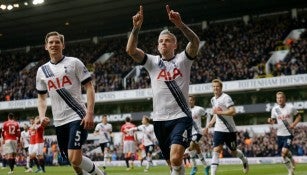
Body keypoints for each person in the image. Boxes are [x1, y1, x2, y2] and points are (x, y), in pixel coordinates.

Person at [126, 5, 200, 175]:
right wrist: (136, 28)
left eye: (167, 40)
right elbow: (130, 50)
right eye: (160, 41)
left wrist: (180, 25)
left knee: (175, 159)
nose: (163, 43)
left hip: (180, 117)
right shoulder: (152, 62)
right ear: (157, 46)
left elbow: (195, 42)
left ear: (175, 44)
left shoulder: (183, 59)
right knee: (171, 163)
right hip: (159, 120)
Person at [36, 31, 105, 175]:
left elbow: (89, 87)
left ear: (63, 45)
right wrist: (42, 116)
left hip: (77, 116)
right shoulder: (42, 71)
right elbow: (42, 97)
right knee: (71, 160)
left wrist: (90, 113)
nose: (54, 44)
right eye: (51, 42)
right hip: (59, 121)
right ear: (46, 46)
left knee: (74, 158)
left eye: (57, 42)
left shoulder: (74, 63)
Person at [204, 79, 249, 175]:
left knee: (233, 152)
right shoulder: (213, 100)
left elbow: (233, 111)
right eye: (214, 86)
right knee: (216, 150)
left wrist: (219, 112)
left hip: (230, 130)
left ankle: (244, 161)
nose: (215, 88)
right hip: (218, 129)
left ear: (221, 88)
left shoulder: (226, 98)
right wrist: (210, 124)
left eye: (217, 86)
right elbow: (216, 115)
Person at [267, 91, 301, 175]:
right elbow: (273, 121)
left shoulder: (291, 107)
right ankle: (292, 160)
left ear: (284, 98)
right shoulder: (274, 109)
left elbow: (299, 116)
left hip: (289, 133)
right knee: (284, 154)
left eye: (281, 98)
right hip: (280, 134)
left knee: (283, 153)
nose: (279, 99)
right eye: (277, 98)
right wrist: (270, 120)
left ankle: (290, 171)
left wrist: (294, 124)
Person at [187, 95, 209, 175]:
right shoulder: (185, 110)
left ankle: (194, 167)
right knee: (196, 150)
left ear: (194, 101)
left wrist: (207, 127)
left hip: (198, 132)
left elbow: (208, 115)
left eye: (191, 100)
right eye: (188, 100)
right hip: (189, 133)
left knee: (191, 146)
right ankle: (206, 166)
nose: (190, 101)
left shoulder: (198, 109)